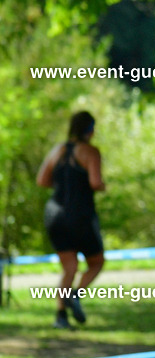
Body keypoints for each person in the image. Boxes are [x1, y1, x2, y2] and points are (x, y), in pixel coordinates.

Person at [36, 111, 106, 329]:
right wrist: (102, 186)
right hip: (80, 215)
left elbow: (42, 180)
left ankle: (60, 316)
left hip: (54, 214)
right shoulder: (90, 152)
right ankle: (75, 294)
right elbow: (95, 182)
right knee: (96, 262)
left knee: (69, 267)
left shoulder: (57, 150)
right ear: (90, 129)